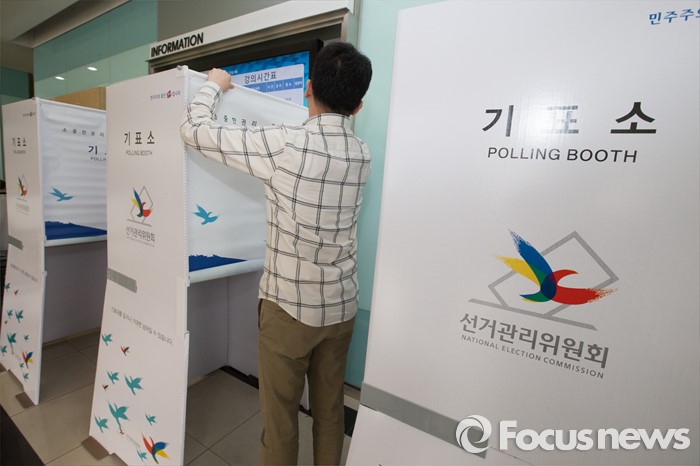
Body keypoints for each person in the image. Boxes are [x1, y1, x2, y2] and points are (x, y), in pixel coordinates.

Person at [180, 42, 372, 465]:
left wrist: (213, 85)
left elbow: (192, 130)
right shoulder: (362, 154)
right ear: (358, 106)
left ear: (308, 88)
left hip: (288, 309)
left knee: (281, 419)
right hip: (341, 307)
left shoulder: (285, 143)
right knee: (330, 412)